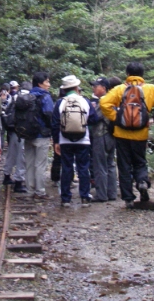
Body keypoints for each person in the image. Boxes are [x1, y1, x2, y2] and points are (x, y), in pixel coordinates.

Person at [100, 62, 154, 209]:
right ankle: (142, 181)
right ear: (142, 74)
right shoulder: (150, 89)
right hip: (140, 134)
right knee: (140, 162)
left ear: (127, 74)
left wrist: (117, 117)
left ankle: (128, 198)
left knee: (124, 166)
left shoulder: (120, 89)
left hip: (121, 134)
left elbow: (104, 103)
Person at [51, 75, 98, 207]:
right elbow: (94, 119)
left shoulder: (60, 103)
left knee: (66, 167)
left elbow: (55, 124)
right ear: (77, 87)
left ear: (64, 89)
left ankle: (65, 198)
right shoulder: (85, 101)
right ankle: (84, 197)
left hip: (65, 140)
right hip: (83, 140)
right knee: (83, 167)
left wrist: (56, 142)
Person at [24, 72, 54, 200]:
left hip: (27, 134)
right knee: (40, 164)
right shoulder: (45, 97)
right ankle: (40, 191)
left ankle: (29, 191)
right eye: (47, 82)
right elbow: (49, 114)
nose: (49, 84)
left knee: (29, 164)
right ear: (40, 83)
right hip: (42, 134)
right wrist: (51, 130)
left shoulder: (27, 96)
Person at [89, 77, 117, 203]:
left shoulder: (104, 101)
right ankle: (112, 193)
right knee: (110, 164)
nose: (93, 88)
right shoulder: (114, 99)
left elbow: (94, 117)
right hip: (112, 134)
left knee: (100, 165)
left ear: (104, 88)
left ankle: (101, 195)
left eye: (96, 86)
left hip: (101, 134)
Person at [3, 81, 27, 192]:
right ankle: (18, 182)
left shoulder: (15, 97)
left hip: (13, 130)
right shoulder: (30, 99)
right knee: (21, 157)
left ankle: (6, 176)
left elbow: (7, 111)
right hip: (23, 131)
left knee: (11, 154)